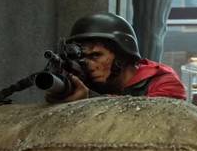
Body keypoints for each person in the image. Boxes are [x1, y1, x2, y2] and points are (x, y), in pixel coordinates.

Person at [49, 12, 186, 102]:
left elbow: (154, 119)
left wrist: (90, 99)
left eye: (96, 55)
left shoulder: (164, 82)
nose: (89, 65)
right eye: (82, 58)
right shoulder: (89, 83)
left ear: (122, 55)